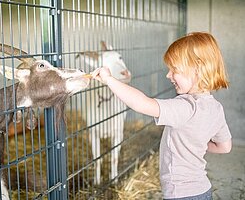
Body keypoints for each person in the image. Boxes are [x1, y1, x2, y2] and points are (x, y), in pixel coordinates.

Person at [91, 32, 232, 200]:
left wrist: (109, 80)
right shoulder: (216, 108)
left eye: (174, 70)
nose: (168, 75)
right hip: (203, 189)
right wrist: (197, 142)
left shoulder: (185, 107)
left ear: (197, 69)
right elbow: (225, 147)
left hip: (181, 194)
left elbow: (141, 103)